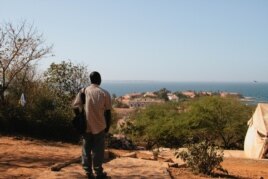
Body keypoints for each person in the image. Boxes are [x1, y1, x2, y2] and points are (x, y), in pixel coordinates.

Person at [73, 71, 112, 179]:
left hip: (86, 126)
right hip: (100, 126)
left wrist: (81, 117)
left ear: (90, 80)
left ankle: (88, 173)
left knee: (86, 150)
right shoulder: (104, 93)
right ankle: (98, 173)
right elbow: (108, 112)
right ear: (99, 80)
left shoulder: (83, 91)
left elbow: (75, 107)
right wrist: (107, 126)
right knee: (98, 151)